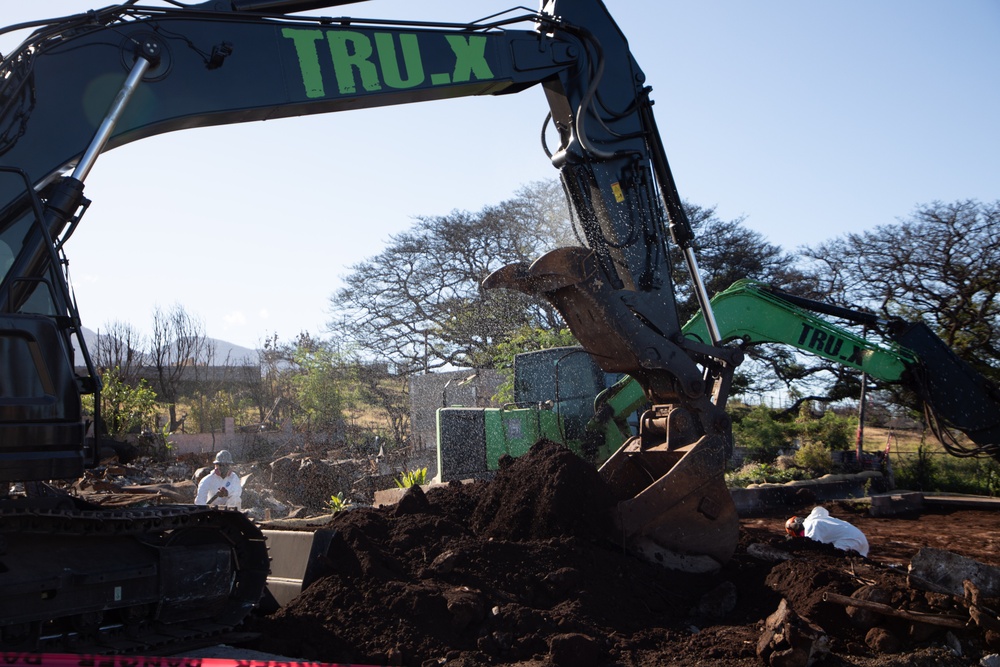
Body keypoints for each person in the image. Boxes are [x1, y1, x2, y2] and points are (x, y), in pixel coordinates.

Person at [785, 506, 869, 557]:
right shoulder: (819, 520)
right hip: (860, 539)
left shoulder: (812, 525)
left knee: (839, 559)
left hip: (850, 540)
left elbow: (812, 545)